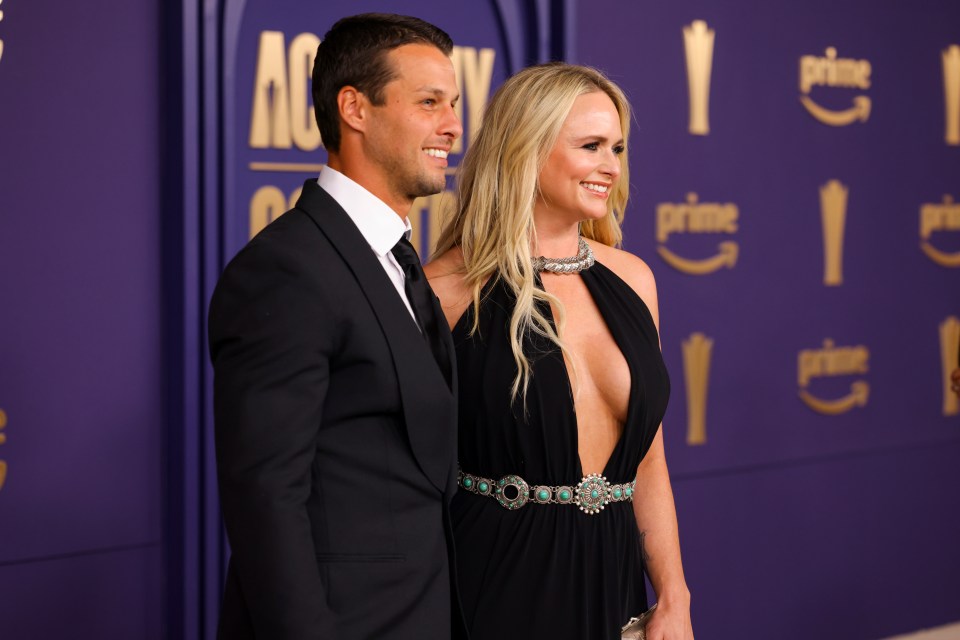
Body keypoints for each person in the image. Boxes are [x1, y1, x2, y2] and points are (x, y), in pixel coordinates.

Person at [208, 13, 466, 639]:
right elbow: (266, 500)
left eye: (453, 104)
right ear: (355, 108)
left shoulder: (400, 262)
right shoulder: (286, 270)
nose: (453, 126)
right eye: (429, 102)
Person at [425, 62, 694, 639]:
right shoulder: (444, 292)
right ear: (525, 149)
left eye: (617, 147)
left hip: (614, 580)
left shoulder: (634, 280)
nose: (611, 167)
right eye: (591, 145)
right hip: (493, 580)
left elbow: (649, 461)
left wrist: (673, 594)